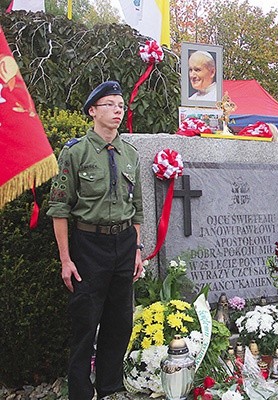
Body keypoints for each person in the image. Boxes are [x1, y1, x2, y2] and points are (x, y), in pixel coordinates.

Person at [47, 81, 144, 399]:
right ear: (92, 111)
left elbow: (137, 209)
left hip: (125, 244)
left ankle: (110, 388)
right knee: (85, 323)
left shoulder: (130, 153)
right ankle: (79, 392)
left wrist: (137, 251)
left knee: (120, 323)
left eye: (121, 105)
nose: (118, 110)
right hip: (89, 245)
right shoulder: (75, 152)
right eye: (110, 105)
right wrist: (66, 259)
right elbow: (59, 208)